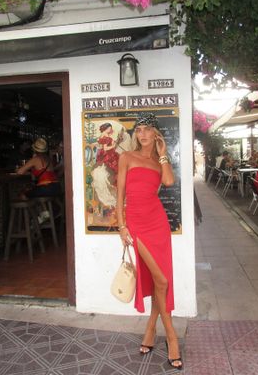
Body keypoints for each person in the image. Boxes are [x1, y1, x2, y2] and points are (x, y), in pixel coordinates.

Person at [116, 113, 182, 370]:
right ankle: (172, 337)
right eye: (139, 130)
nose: (142, 134)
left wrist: (163, 154)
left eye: (147, 130)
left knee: (159, 281)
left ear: (156, 134)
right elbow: (120, 195)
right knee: (162, 280)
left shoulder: (158, 162)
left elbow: (168, 181)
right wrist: (122, 226)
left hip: (158, 223)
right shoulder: (126, 157)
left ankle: (151, 329)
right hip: (137, 223)